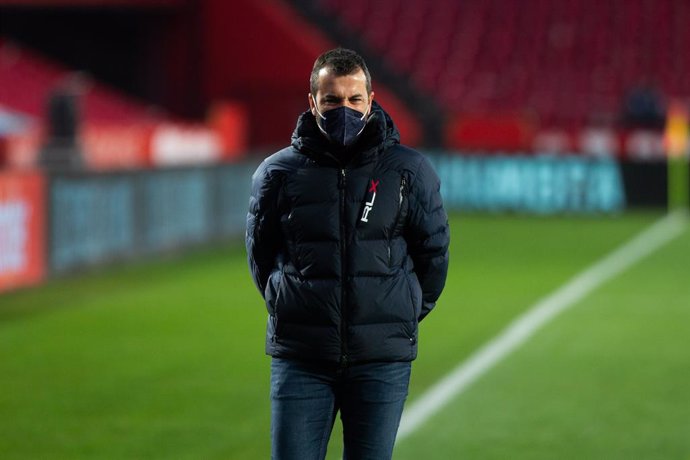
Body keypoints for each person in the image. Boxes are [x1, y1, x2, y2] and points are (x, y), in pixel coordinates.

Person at [246, 48, 449, 460]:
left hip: (380, 360)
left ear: (371, 101)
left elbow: (434, 255)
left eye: (355, 100)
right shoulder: (277, 173)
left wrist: (398, 311)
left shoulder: (408, 170)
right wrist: (291, 306)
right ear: (313, 102)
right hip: (301, 357)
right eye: (333, 100)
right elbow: (261, 256)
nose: (345, 109)